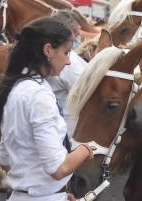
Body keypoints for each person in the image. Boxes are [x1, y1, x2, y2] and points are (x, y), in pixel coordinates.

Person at [0, 16, 94, 201]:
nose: (69, 61)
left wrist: (57, 194)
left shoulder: (14, 88)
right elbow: (58, 169)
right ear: (48, 50)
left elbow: (6, 161)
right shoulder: (38, 95)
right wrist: (86, 150)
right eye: (66, 52)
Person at [48, 10, 87, 138]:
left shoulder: (68, 56)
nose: (80, 34)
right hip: (70, 130)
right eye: (77, 30)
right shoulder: (70, 62)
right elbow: (86, 92)